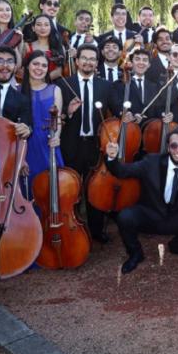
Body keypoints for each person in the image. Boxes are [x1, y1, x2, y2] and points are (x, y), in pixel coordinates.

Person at [104, 127, 178, 274]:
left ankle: (177, 246)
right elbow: (122, 171)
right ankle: (136, 254)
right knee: (124, 216)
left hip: (173, 217)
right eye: (173, 145)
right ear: (168, 147)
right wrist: (111, 158)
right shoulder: (151, 162)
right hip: (150, 214)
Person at [57, 44, 114, 242]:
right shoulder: (64, 84)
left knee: (94, 188)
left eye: (92, 59)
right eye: (85, 58)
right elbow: (57, 115)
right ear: (77, 61)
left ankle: (97, 231)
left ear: (96, 63)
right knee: (70, 190)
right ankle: (71, 229)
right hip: (70, 144)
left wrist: (128, 114)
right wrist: (68, 112)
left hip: (95, 145)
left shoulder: (105, 86)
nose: (88, 62)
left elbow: (115, 111)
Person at [19, 51, 64, 205]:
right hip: (26, 148)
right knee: (28, 193)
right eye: (36, 64)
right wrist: (20, 157)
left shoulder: (55, 90)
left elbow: (57, 120)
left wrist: (57, 136)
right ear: (27, 66)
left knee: (51, 192)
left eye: (44, 65)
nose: (40, 68)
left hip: (49, 144)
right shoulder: (17, 91)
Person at [108, 48, 162, 124]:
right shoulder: (118, 85)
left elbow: (157, 111)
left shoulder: (154, 86)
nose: (141, 62)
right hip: (128, 129)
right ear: (131, 62)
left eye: (145, 60)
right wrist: (126, 114)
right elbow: (116, 106)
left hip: (149, 131)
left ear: (149, 65)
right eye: (137, 59)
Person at [18, 14, 65, 82]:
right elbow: (19, 68)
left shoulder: (59, 47)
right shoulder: (26, 46)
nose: (43, 28)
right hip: (29, 85)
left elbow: (58, 71)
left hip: (50, 86)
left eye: (46, 25)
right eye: (39, 24)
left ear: (51, 27)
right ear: (33, 28)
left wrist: (41, 82)